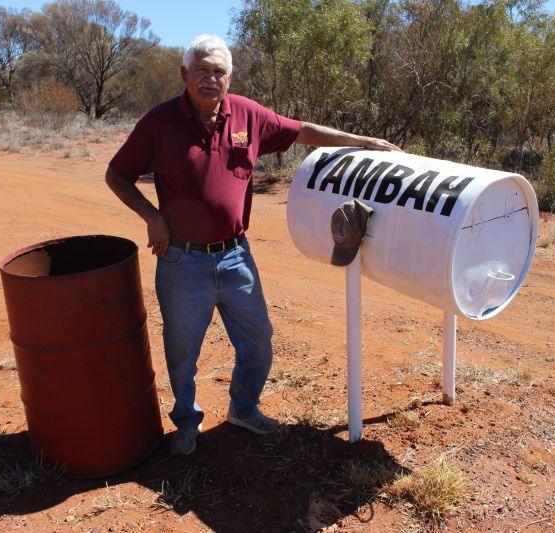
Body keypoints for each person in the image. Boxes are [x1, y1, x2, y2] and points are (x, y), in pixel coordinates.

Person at [106, 34, 400, 456]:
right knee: (183, 351)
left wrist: (363, 142)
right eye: (202, 70)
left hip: (235, 256)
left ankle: (243, 409)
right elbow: (117, 174)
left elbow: (302, 132)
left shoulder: (248, 115)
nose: (210, 78)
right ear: (184, 74)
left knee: (258, 341)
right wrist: (152, 217)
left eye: (219, 71)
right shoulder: (159, 122)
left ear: (229, 77)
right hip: (181, 260)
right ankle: (187, 421)